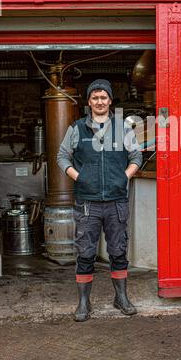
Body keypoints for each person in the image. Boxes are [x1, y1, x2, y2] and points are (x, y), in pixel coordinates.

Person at [57, 79, 142, 321]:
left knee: (118, 251)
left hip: (116, 201)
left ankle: (121, 297)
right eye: (95, 97)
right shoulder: (77, 129)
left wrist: (124, 177)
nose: (99, 101)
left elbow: (136, 155)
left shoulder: (123, 128)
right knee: (85, 253)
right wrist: (78, 176)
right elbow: (62, 156)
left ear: (110, 100)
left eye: (103, 97)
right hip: (88, 202)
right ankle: (84, 302)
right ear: (89, 102)